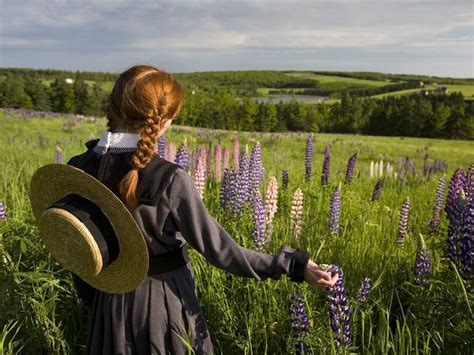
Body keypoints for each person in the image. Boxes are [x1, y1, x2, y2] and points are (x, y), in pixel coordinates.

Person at [67, 64, 338, 354]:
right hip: (162, 304)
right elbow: (222, 251)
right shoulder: (169, 179)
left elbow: (73, 246)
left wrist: (92, 299)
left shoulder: (77, 168)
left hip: (107, 304)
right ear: (161, 120)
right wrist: (291, 264)